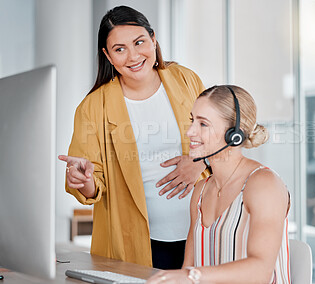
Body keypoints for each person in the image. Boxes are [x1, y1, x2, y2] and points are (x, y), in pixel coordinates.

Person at [58, 6, 209, 269]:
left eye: (139, 42)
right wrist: (83, 181)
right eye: (119, 49)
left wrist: (200, 162)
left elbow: (221, 138)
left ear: (153, 39)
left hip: (202, 232)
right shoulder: (93, 108)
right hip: (138, 244)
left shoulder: (185, 79)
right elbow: (94, 184)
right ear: (107, 55)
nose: (133, 55)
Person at [147, 85, 291, 283]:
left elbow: (261, 270)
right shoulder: (201, 190)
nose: (190, 132)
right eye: (192, 120)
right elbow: (188, 267)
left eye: (203, 124)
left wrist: (191, 276)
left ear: (234, 134)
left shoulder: (263, 185)